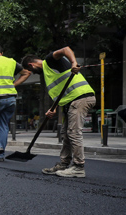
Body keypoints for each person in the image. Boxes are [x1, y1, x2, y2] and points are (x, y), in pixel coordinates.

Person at [18, 47, 97, 178]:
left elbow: (65, 49)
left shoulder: (49, 61)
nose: (34, 73)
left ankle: (78, 167)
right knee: (65, 133)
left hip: (81, 98)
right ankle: (64, 164)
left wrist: (73, 63)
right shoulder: (49, 73)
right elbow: (61, 93)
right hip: (71, 101)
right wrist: (53, 108)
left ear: (31, 65)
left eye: (31, 70)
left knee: (73, 132)